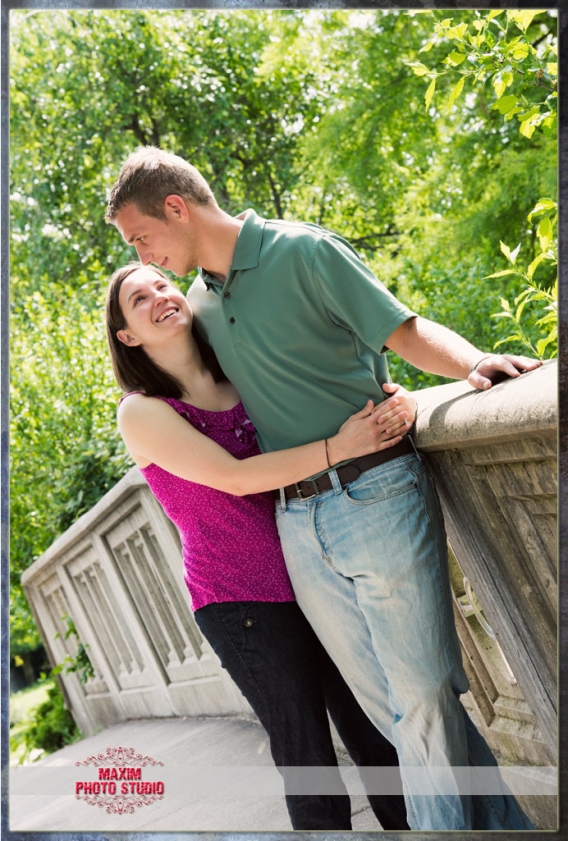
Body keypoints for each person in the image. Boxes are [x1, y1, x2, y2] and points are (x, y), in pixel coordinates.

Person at [105, 147, 541, 830]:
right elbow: (235, 442)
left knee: (421, 700)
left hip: (375, 493)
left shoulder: (301, 252)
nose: (149, 260)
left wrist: (474, 363)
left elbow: (399, 331)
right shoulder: (199, 308)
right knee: (390, 713)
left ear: (176, 208)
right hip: (293, 533)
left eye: (141, 239)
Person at [105, 262, 416, 831]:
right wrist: (341, 446)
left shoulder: (238, 373)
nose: (158, 297)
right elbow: (236, 477)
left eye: (161, 284)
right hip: (240, 602)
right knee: (308, 760)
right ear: (128, 335)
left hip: (313, 569)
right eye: (138, 299)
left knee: (375, 731)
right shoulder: (143, 411)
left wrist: (385, 398)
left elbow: (310, 394)